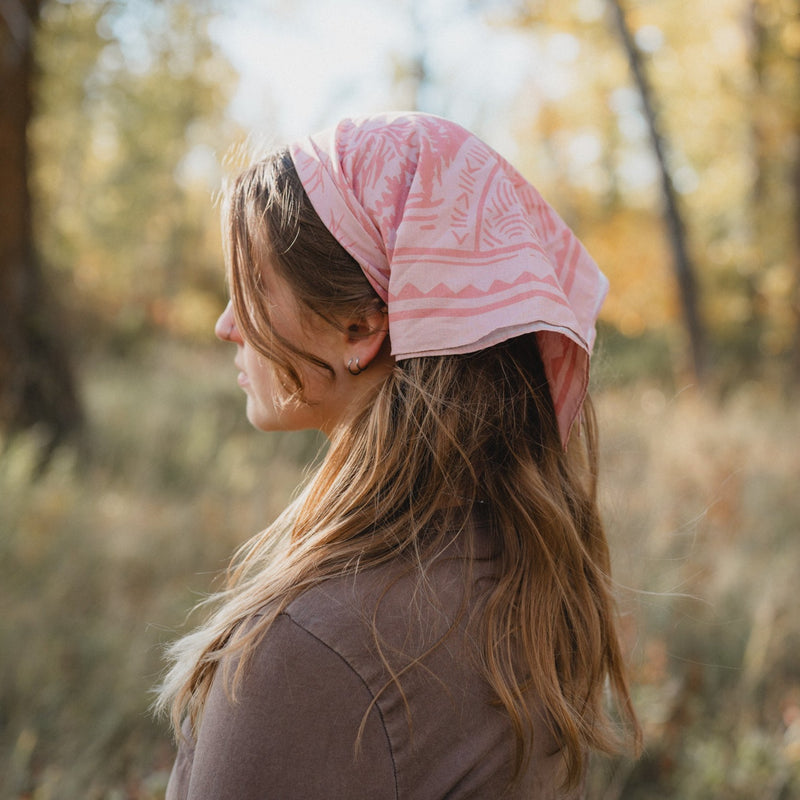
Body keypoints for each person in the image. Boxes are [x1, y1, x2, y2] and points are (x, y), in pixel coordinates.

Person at [158, 112, 640, 799]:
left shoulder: (308, 650)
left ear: (360, 328)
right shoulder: (523, 572)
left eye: (255, 287)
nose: (226, 324)